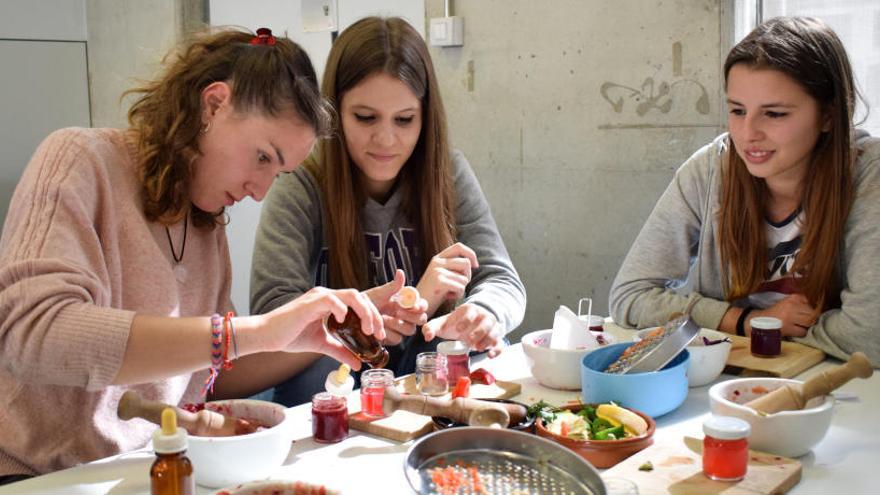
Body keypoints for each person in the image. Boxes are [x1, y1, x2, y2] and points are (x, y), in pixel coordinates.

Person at [0, 27, 410, 482]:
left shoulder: (204, 223)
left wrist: (306, 331)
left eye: (279, 172)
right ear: (213, 104)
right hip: (33, 476)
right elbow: (31, 333)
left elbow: (216, 370)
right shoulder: (80, 160)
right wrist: (246, 332)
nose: (260, 192)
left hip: (145, 469)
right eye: (262, 157)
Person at [251, 16, 527, 406]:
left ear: (425, 116)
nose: (386, 139)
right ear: (333, 112)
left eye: (405, 119)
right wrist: (383, 313)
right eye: (365, 118)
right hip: (329, 397)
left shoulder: (447, 172)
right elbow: (271, 321)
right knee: (314, 367)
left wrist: (482, 313)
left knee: (476, 349)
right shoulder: (301, 184)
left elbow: (503, 280)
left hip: (423, 385)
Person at [610, 16, 880, 366]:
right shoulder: (709, 170)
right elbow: (630, 297)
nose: (748, 133)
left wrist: (761, 332)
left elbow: (869, 335)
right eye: (737, 110)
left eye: (775, 114)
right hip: (730, 379)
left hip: (845, 386)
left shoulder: (868, 175)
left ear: (828, 116)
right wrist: (745, 321)